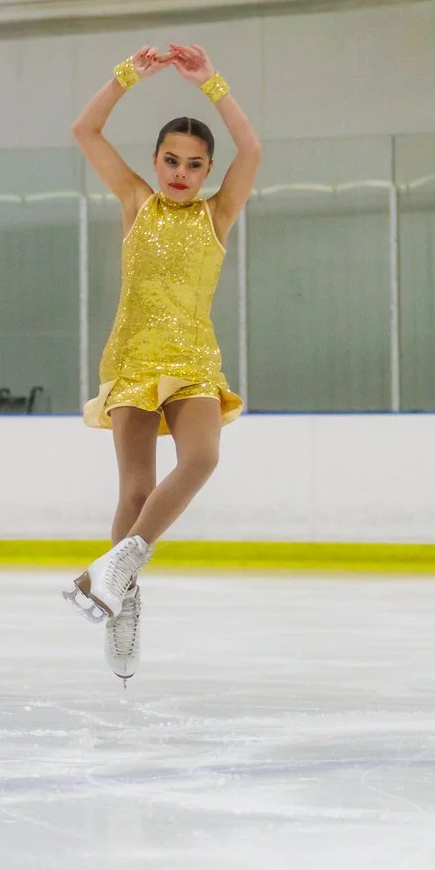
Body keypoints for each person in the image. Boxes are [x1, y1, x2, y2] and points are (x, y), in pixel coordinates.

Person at [63, 43, 260, 682]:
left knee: (202, 457)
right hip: (135, 357)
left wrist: (211, 81)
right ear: (154, 162)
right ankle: (125, 609)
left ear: (208, 172)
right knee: (136, 489)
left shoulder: (216, 215)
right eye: (171, 160)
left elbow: (252, 151)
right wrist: (128, 75)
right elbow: (84, 129)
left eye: (195, 164)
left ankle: (118, 565)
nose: (180, 172)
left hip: (194, 359)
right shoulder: (136, 202)